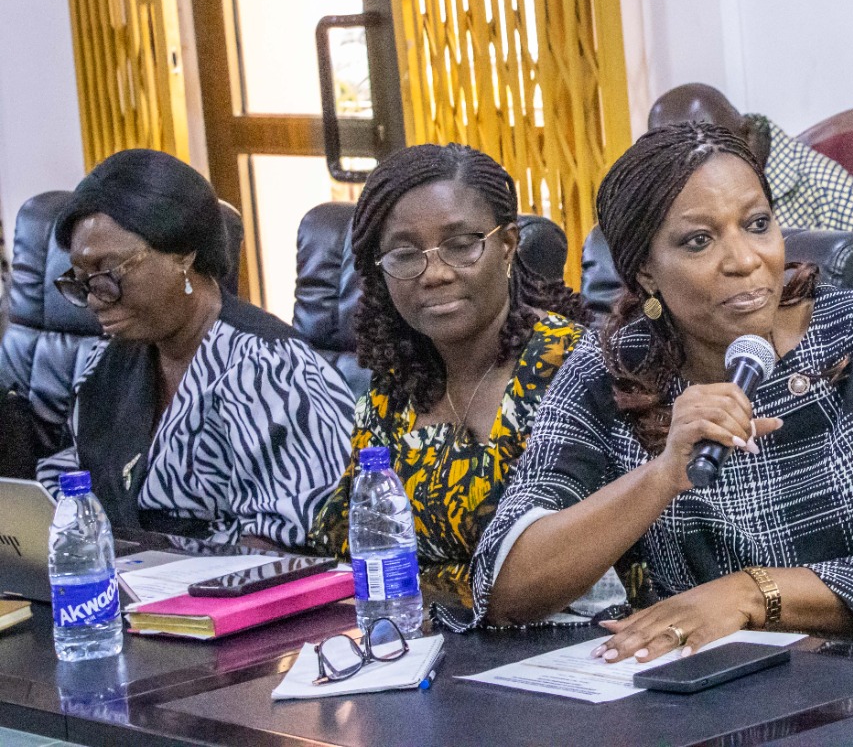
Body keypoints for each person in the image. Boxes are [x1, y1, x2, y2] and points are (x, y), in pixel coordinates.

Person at [473, 122, 853, 660]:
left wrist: (749, 595)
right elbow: (506, 589)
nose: (744, 260)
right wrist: (662, 476)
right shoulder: (611, 367)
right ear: (646, 273)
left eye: (758, 224)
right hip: (696, 683)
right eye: (699, 240)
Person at [310, 145, 593, 607]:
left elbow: (540, 563)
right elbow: (349, 544)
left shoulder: (570, 365)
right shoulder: (394, 388)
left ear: (507, 246)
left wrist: (419, 590)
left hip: (572, 636)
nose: (435, 274)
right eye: (405, 254)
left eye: (461, 246)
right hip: (416, 636)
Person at [35, 149, 353, 550]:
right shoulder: (112, 359)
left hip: (232, 586)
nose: (95, 298)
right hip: (123, 578)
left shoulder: (269, 369)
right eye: (81, 280)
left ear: (184, 252)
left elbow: (290, 545)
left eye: (107, 272)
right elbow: (72, 477)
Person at [647, 84, 853, 302]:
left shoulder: (828, 190)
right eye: (675, 160)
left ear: (746, 135)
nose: (696, 172)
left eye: (759, 224)